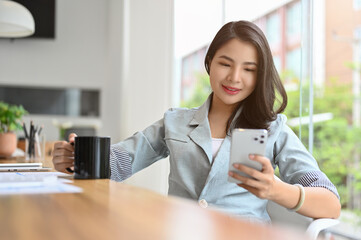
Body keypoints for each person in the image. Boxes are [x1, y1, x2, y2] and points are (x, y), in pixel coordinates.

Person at [52, 20, 341, 222]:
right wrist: (74, 159)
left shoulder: (271, 128)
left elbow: (330, 203)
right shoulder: (175, 122)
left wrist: (276, 189)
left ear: (260, 75)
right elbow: (118, 164)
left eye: (249, 69)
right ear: (210, 62)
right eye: (225, 63)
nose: (234, 78)